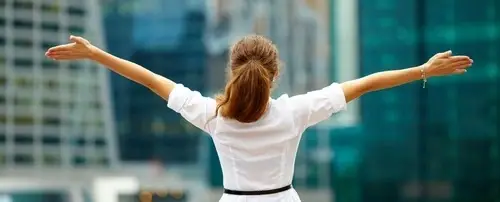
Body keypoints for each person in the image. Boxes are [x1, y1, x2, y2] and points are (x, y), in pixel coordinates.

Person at [45, 35, 473, 202]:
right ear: (275, 72)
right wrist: (421, 70)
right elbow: (365, 83)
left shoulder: (213, 115)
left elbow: (150, 79)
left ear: (233, 71)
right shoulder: (295, 111)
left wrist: (95, 54)